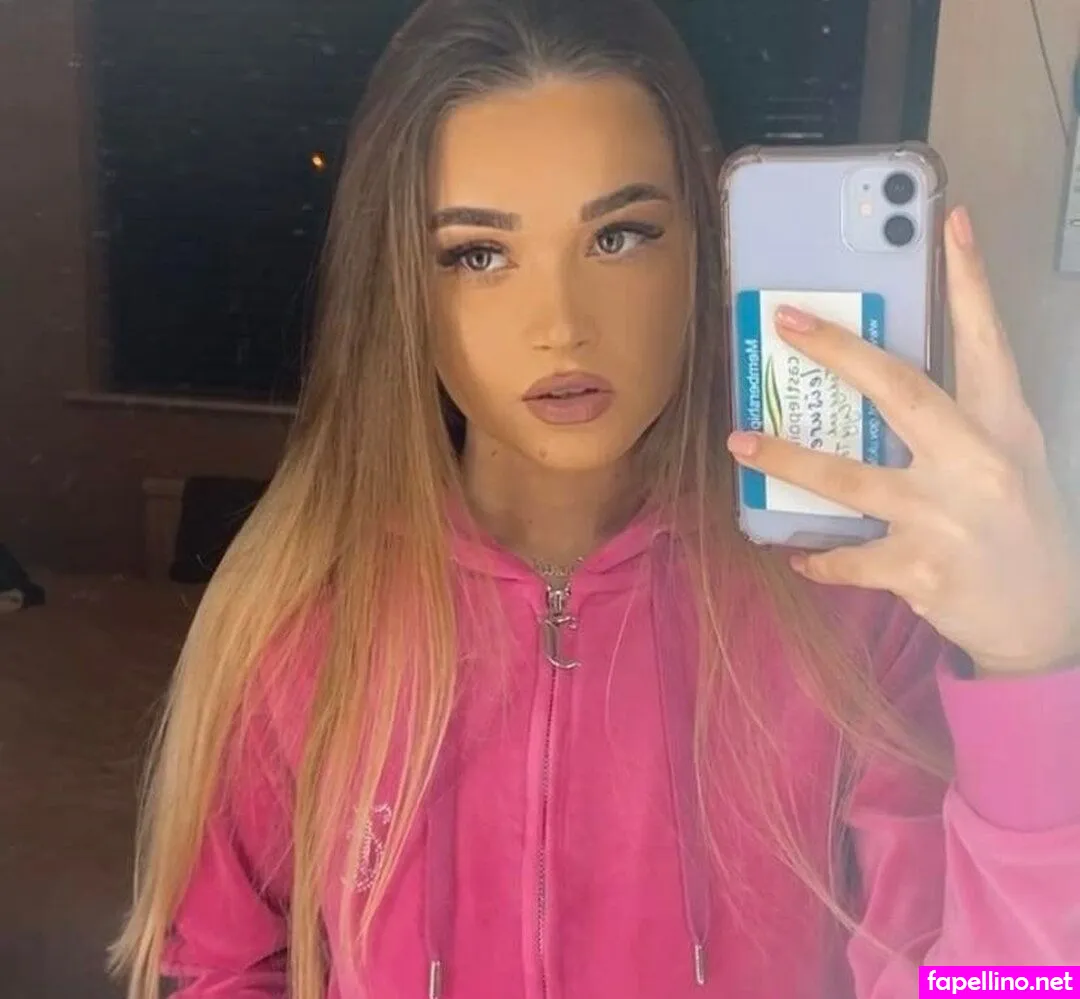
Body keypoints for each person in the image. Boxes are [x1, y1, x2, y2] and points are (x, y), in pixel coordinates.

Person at [109, 1, 1080, 997]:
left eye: (620, 236)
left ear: (703, 248)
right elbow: (226, 965)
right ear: (400, 281)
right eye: (478, 254)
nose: (561, 324)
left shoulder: (852, 605)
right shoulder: (304, 617)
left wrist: (1031, 665)